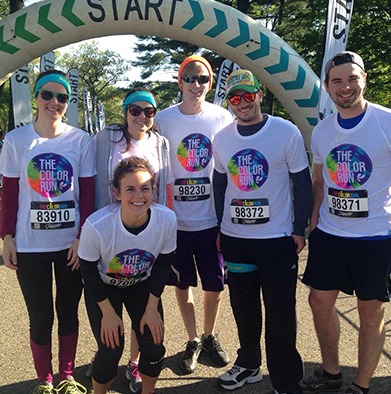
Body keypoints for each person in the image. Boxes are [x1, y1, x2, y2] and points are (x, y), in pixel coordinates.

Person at [213, 69, 312, 393]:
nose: (243, 103)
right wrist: (218, 227)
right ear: (230, 102)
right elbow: (220, 184)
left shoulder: (285, 131)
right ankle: (249, 364)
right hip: (236, 239)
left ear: (259, 94)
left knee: (281, 312)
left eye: (248, 95)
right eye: (235, 98)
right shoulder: (223, 138)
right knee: (243, 306)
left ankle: (285, 380)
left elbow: (301, 181)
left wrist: (299, 229)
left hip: (277, 239)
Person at [300, 51, 391, 394]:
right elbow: (319, 182)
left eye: (352, 78)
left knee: (370, 312)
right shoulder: (322, 131)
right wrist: (311, 227)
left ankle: (362, 385)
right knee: (319, 302)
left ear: (364, 79)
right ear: (327, 87)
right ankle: (331, 373)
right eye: (337, 80)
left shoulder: (385, 122)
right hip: (331, 234)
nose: (345, 86)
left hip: (375, 237)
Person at [0, 69, 96, 394]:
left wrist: (84, 236)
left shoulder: (79, 140)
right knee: (40, 318)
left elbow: (88, 192)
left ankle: (67, 376)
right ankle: (45, 380)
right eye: (47, 95)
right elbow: (10, 193)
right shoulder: (16, 140)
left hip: (70, 245)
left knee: (68, 312)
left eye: (62, 97)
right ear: (36, 97)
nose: (54, 102)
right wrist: (7, 237)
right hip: (30, 246)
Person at [154, 55, 233, 373]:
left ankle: (210, 335)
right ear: (179, 81)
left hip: (211, 220)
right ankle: (192, 341)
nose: (195, 84)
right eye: (189, 78)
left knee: (214, 285)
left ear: (210, 82)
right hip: (177, 221)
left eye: (202, 78)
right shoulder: (164, 118)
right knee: (182, 284)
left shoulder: (222, 117)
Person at [93, 87, 172, 392]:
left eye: (149, 111)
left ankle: (135, 363)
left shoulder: (160, 143)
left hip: (145, 231)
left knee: (145, 314)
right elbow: (91, 179)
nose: (141, 116)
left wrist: (163, 227)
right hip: (111, 230)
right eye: (135, 110)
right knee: (110, 337)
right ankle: (106, 366)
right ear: (125, 112)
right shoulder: (106, 138)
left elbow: (163, 188)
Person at [78, 156, 177, 394]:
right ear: (117, 193)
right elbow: (88, 272)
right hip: (103, 286)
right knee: (111, 348)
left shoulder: (166, 219)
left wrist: (152, 308)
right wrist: (108, 314)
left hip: (141, 284)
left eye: (145, 188)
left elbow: (163, 265)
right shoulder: (96, 226)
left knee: (153, 344)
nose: (138, 196)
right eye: (130, 189)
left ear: (153, 190)